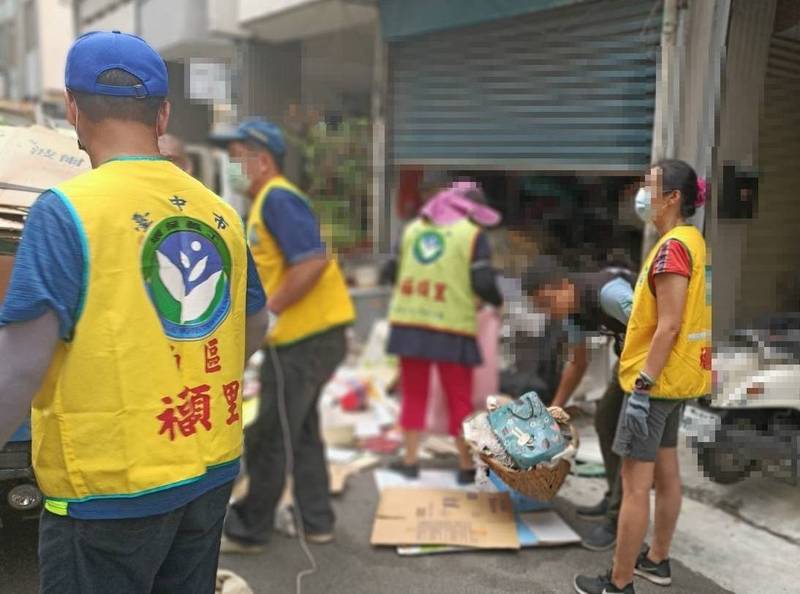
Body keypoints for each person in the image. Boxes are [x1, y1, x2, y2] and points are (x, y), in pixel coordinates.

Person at [0, 31, 269, 594]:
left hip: (108, 489)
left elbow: (19, 367)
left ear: (73, 107)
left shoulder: (67, 210)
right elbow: (255, 323)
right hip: (208, 466)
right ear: (163, 113)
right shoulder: (220, 212)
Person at [212, 118, 356, 552]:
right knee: (303, 432)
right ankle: (317, 521)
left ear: (264, 160)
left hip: (305, 341)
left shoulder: (277, 199)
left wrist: (269, 312)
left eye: (237, 157)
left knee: (272, 436)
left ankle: (250, 529)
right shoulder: (263, 203)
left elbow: (309, 262)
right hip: (309, 339)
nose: (231, 165)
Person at [574, 160, 711, 594]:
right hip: (680, 379)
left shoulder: (672, 249)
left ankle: (619, 583)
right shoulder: (692, 241)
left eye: (650, 185)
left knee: (635, 487)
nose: (642, 193)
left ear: (672, 197)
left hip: (654, 384)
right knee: (667, 474)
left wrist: (642, 388)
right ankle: (657, 560)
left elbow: (669, 325)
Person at [384, 181, 504, 484]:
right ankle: (465, 466)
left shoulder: (411, 230)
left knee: (413, 394)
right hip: (452, 328)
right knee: (459, 399)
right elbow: (483, 283)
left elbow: (389, 272)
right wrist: (496, 302)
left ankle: (409, 461)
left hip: (409, 324)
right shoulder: (472, 235)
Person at [523, 256, 636, 551]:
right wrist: (555, 408)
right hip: (631, 359)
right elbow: (578, 363)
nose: (549, 312)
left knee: (627, 434)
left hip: (655, 363)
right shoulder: (574, 314)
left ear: (561, 286)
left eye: (547, 303)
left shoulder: (609, 294)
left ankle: (618, 518)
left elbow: (658, 327)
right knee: (605, 420)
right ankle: (614, 495)